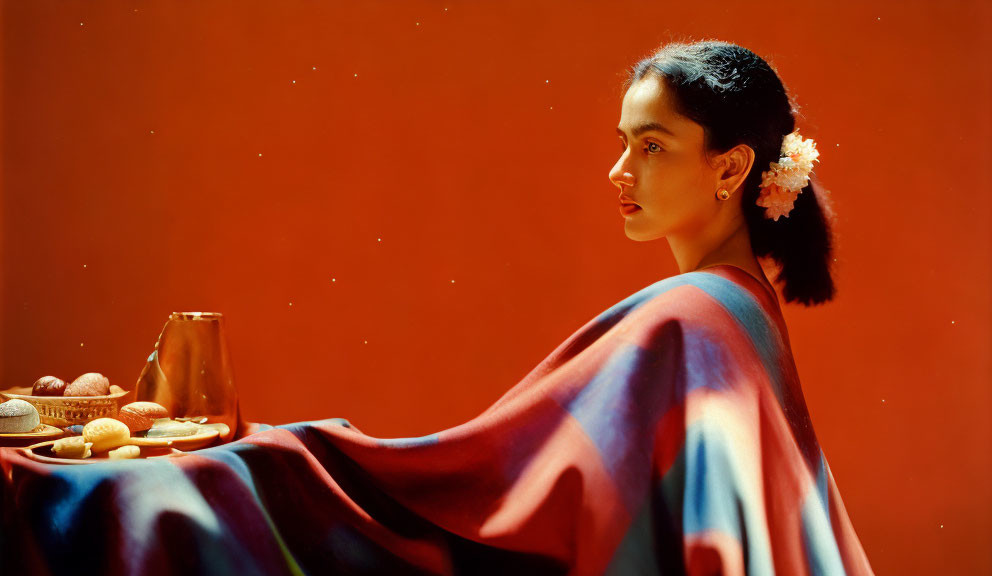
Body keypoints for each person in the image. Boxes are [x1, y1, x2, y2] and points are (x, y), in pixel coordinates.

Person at [0, 40, 874, 576]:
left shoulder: (689, 320)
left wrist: (280, 462)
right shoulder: (739, 310)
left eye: (652, 148)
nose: (619, 174)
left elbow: (491, 487)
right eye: (620, 144)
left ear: (731, 168)